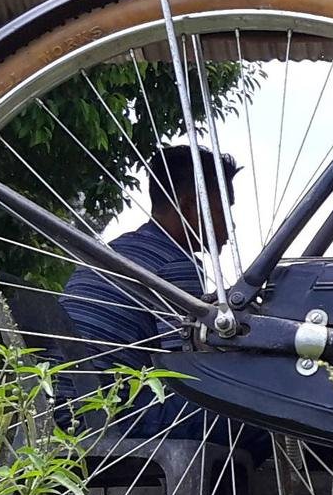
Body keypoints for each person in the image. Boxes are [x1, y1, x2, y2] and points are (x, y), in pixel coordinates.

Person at [61, 142, 238, 438]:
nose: (231, 225)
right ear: (189, 206)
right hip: (112, 414)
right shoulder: (175, 263)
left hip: (63, 406)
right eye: (225, 209)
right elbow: (185, 372)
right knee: (263, 419)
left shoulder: (122, 250)